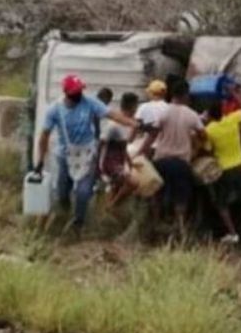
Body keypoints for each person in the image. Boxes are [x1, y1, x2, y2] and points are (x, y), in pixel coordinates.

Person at [34, 74, 135, 234]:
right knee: (62, 193)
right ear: (67, 93)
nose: (79, 94)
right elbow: (44, 135)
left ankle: (77, 224)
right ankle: (63, 214)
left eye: (80, 90)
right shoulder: (55, 110)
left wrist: (132, 123)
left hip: (88, 154)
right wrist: (40, 160)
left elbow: (112, 114)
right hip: (64, 156)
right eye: (76, 92)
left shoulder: (89, 102)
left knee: (83, 192)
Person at [137, 79, 205, 240]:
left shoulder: (163, 112)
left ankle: (155, 225)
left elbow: (152, 135)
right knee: (181, 197)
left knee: (157, 194)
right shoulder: (192, 114)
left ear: (171, 94)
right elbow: (203, 135)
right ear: (186, 95)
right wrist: (195, 145)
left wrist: (139, 153)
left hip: (161, 160)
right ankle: (180, 229)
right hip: (181, 163)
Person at [204, 102, 241, 244]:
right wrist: (237, 95)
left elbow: (208, 149)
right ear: (222, 112)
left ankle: (233, 233)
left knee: (222, 202)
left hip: (223, 168)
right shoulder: (232, 119)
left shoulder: (209, 129)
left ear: (210, 115)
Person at [98, 92, 139, 207]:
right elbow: (101, 143)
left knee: (116, 188)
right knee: (133, 183)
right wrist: (97, 166)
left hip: (119, 161)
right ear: (132, 107)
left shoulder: (128, 124)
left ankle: (108, 211)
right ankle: (112, 206)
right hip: (109, 162)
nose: (136, 111)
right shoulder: (113, 125)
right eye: (136, 107)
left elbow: (123, 146)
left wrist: (129, 161)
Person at [132, 80, 169, 145]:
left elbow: (136, 125)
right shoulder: (169, 108)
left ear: (151, 93)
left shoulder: (143, 107)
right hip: (164, 142)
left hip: (146, 142)